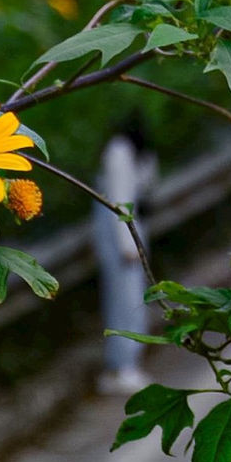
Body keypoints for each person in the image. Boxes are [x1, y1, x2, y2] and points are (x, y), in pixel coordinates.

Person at [95, 125, 158, 395]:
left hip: (122, 234)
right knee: (126, 301)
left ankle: (123, 366)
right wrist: (128, 246)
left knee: (127, 299)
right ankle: (123, 367)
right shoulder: (119, 153)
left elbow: (144, 187)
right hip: (120, 236)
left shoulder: (125, 152)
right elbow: (120, 203)